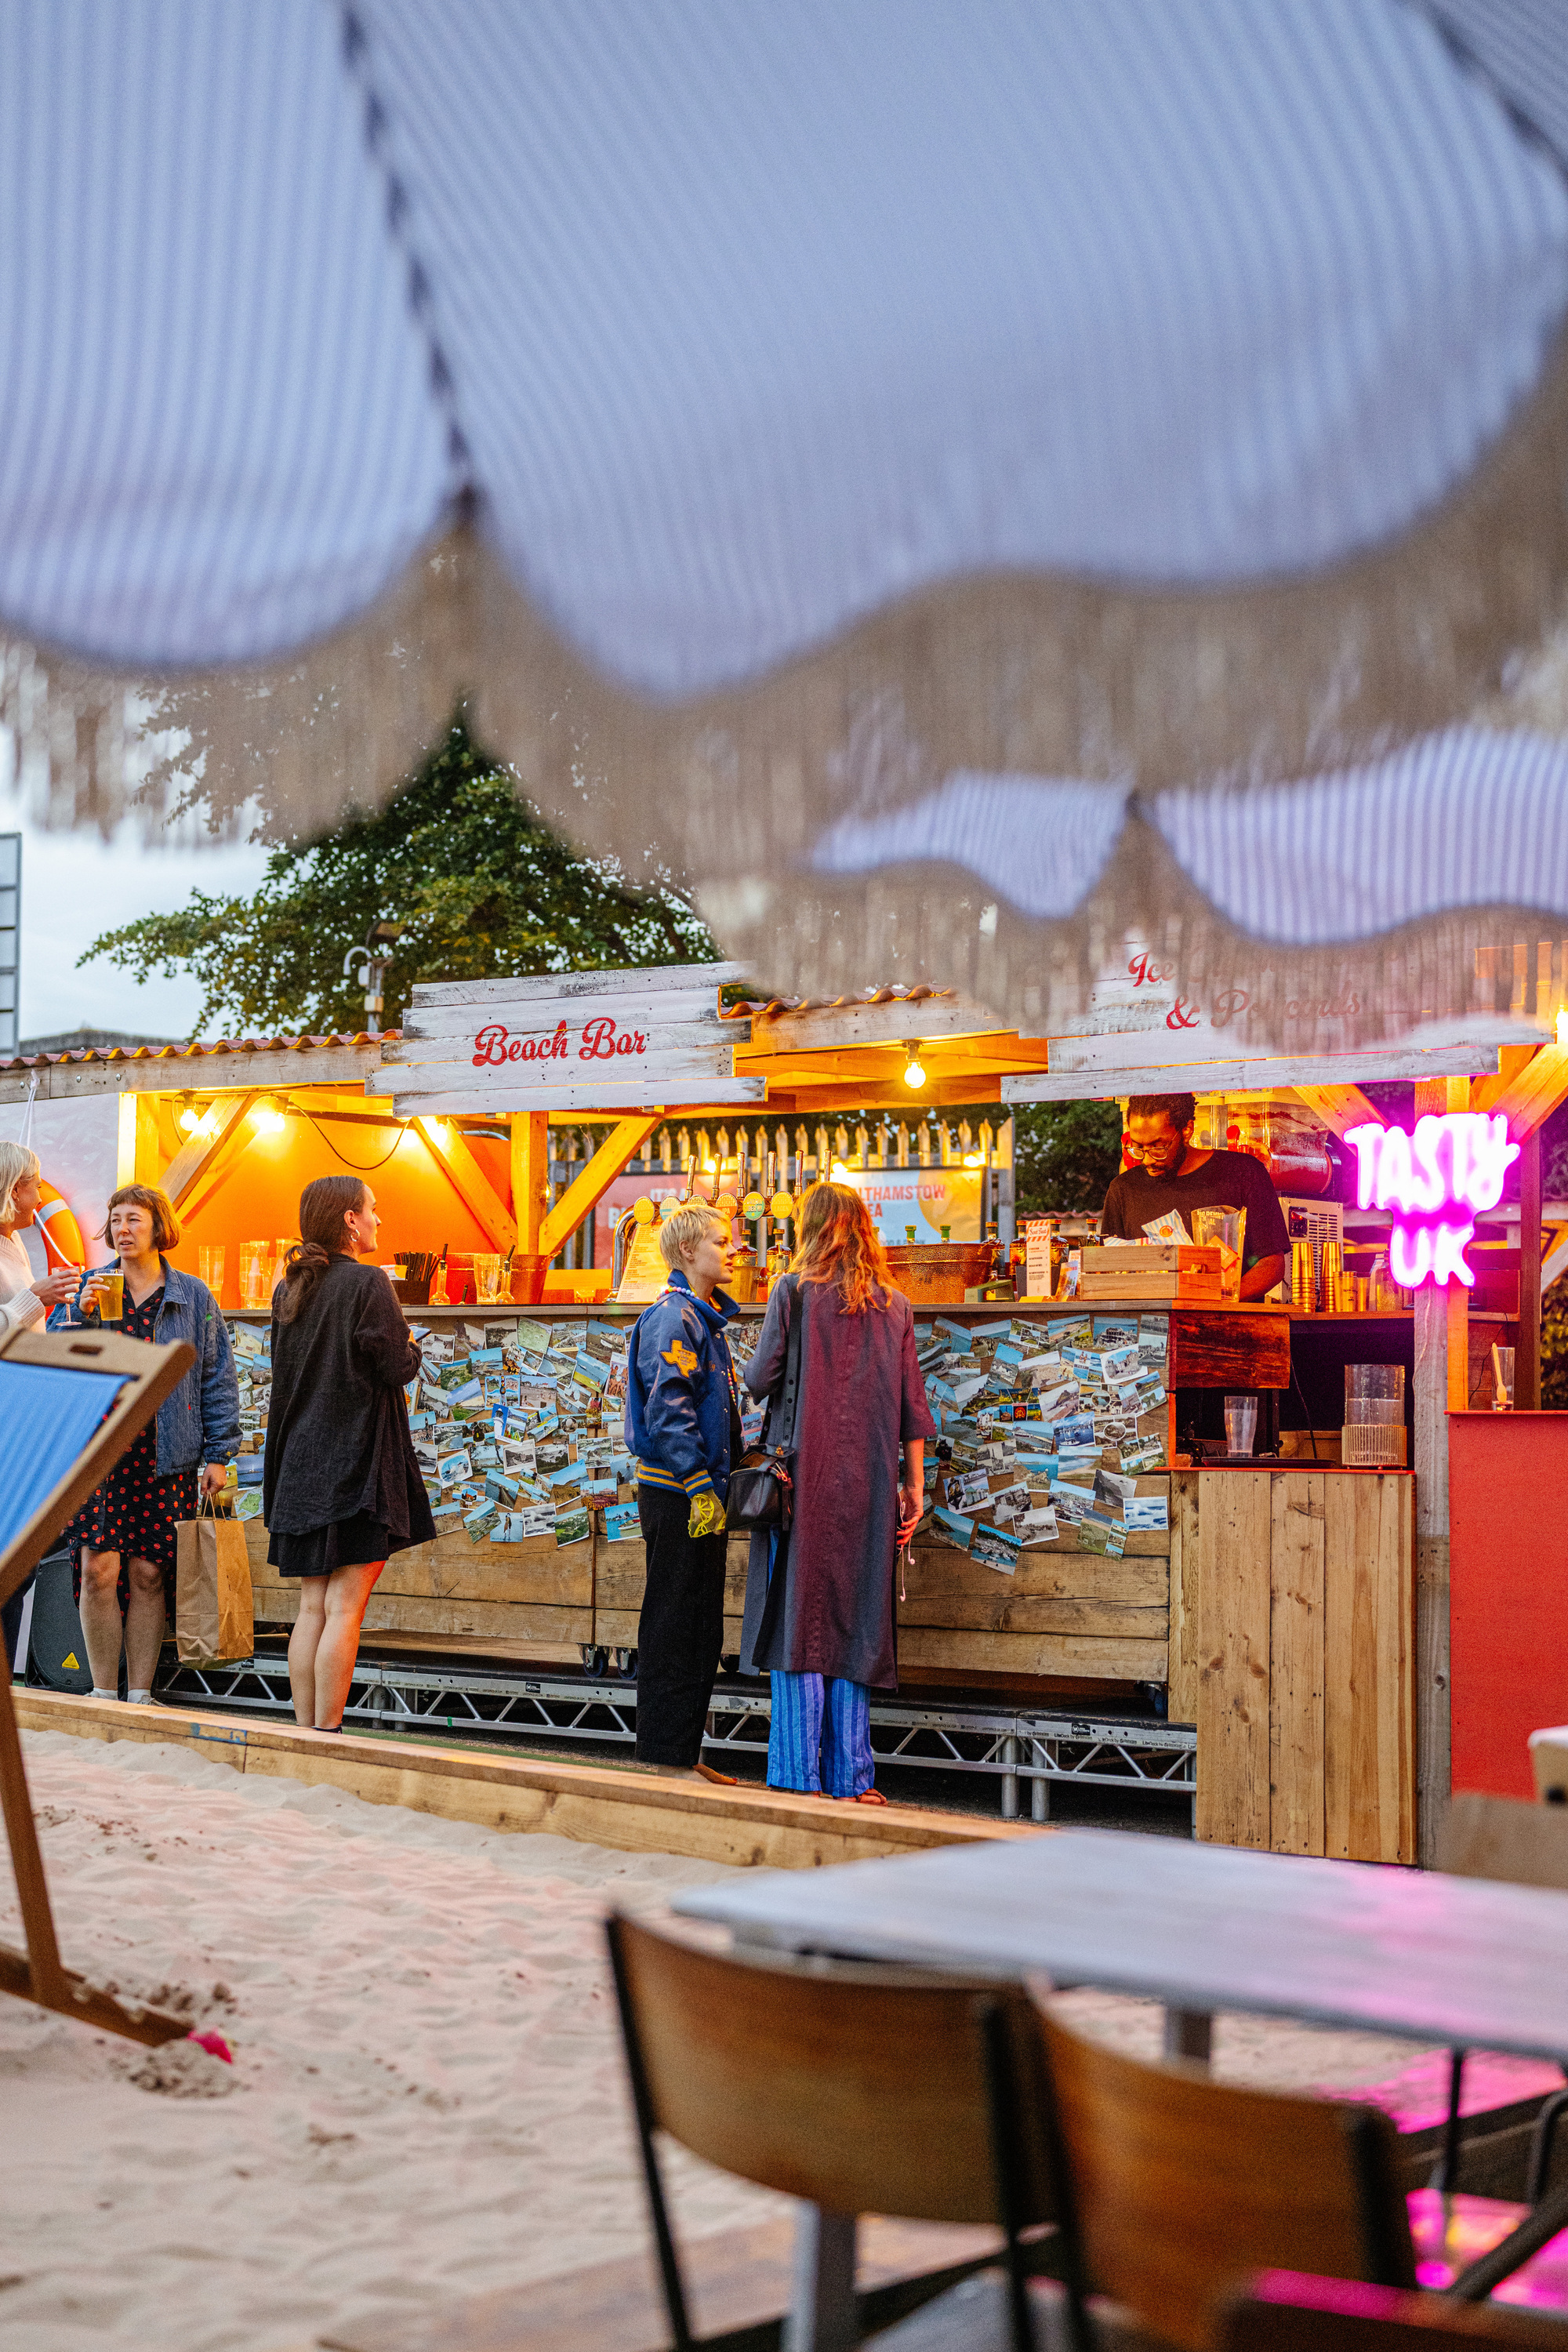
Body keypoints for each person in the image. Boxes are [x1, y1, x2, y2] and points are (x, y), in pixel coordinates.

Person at [739, 1182, 932, 1803]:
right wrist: (914, 1486)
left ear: (809, 1229)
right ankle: (852, 1778)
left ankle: (800, 1774)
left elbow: (760, 1378)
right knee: (861, 1621)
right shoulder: (897, 1306)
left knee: (797, 1620)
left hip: (802, 1481)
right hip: (871, 1483)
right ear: (865, 1231)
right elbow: (912, 1407)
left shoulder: (791, 1292)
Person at [263, 1174, 432, 1733]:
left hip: (300, 1464)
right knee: (345, 1607)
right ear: (350, 1220)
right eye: (373, 1209)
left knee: (311, 1607)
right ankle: (328, 1732)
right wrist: (412, 1345)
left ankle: (307, 1732)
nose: (379, 1219)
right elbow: (396, 1366)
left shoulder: (289, 1288)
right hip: (356, 1463)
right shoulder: (368, 1282)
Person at [69, 1184, 238, 1702]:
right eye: (115, 1219)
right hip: (101, 1453)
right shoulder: (95, 1288)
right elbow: (63, 1358)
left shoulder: (192, 1296)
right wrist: (79, 1316)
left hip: (166, 1453)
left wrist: (219, 1454)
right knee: (97, 1570)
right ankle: (103, 1691)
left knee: (148, 1573)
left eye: (133, 1219)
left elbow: (216, 1376)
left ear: (158, 1227)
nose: (122, 1229)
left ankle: (140, 1694)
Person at [623, 1201, 742, 1780]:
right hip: (679, 1492)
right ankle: (661, 1758)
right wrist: (699, 1486)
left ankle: (682, 1754)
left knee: (700, 1625)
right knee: (674, 1623)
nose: (734, 1249)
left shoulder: (703, 1317)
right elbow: (669, 1410)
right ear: (689, 1250)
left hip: (701, 1491)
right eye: (722, 1241)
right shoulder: (674, 1318)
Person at [0, 1142, 88, 1668]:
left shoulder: (13, 1244)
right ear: (15, 1189)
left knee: (21, 1560)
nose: (39, 1196)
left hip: (21, 1409)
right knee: (13, 1557)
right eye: (34, 1186)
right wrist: (36, 1297)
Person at [1099, 1092, 1289, 1301]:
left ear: (1186, 1131)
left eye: (1158, 1147)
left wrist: (1218, 1301)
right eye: (1138, 1147)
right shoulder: (1123, 1189)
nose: (1147, 1160)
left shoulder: (1243, 1172)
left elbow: (1271, 1265)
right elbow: (1107, 1269)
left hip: (1227, 1317)